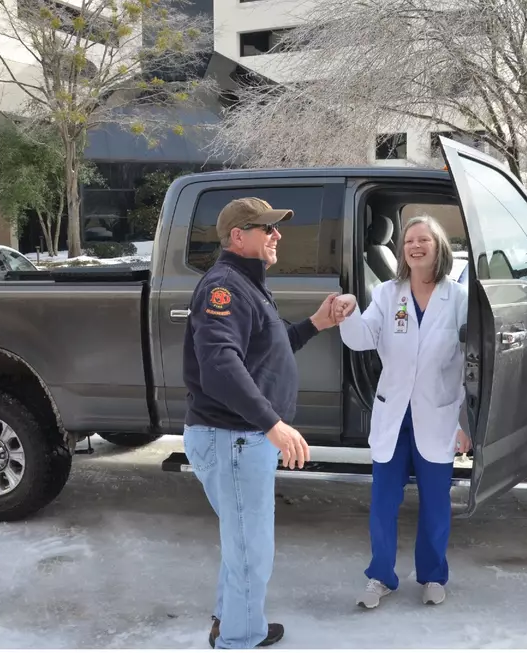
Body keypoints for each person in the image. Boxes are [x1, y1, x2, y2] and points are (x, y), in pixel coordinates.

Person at [183, 196, 340, 649]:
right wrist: (273, 423)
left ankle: (232, 622)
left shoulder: (247, 283)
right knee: (252, 552)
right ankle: (238, 639)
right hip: (233, 437)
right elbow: (219, 364)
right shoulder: (225, 287)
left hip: (239, 438)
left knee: (242, 544)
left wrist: (316, 322)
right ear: (238, 236)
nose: (277, 236)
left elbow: (265, 351)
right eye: (267, 229)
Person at [332, 215, 470, 609]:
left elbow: (468, 364)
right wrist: (348, 312)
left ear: (438, 246)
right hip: (394, 415)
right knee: (383, 502)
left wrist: (465, 423)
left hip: (438, 415)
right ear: (401, 250)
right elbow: (362, 339)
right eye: (409, 240)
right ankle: (381, 577)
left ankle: (432, 576)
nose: (415, 245)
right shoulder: (389, 294)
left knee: (436, 503)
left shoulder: (457, 299)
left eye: (424, 239)